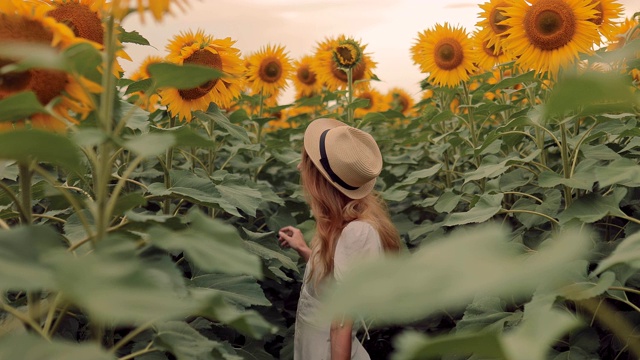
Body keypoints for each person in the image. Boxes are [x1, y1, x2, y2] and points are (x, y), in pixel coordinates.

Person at [278, 118, 401, 360]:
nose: (299, 168)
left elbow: (341, 324)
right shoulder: (340, 224)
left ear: (319, 180)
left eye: (306, 163)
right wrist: (305, 250)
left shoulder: (356, 233)